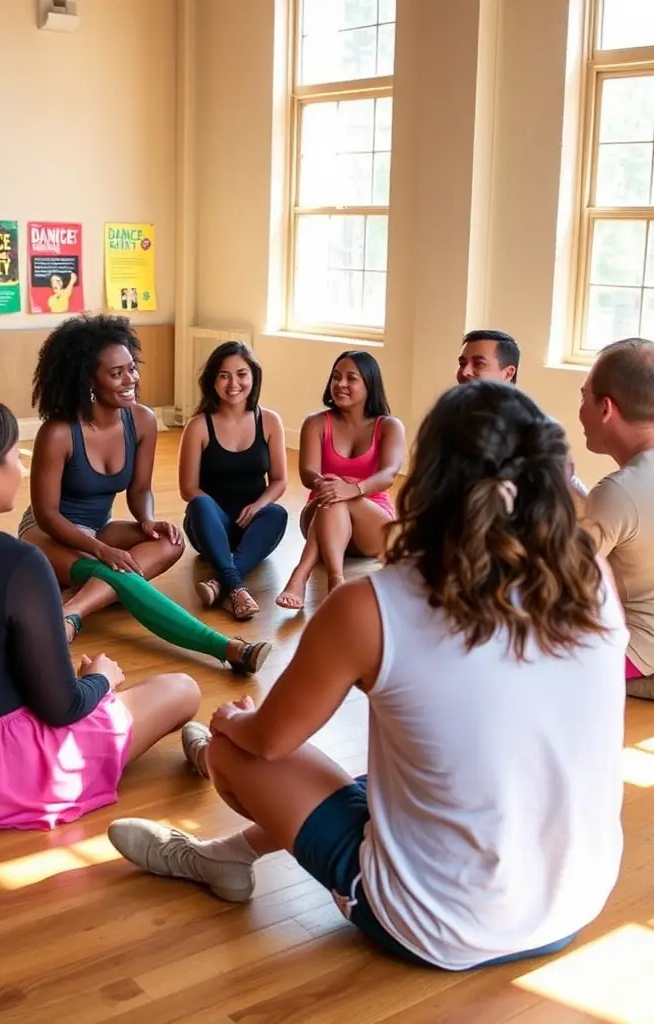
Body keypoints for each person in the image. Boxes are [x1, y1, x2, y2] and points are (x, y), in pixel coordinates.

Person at [107, 381, 627, 970]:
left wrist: (232, 723)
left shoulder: (371, 605)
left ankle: (220, 814)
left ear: (426, 479)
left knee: (236, 750)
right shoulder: (589, 574)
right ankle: (228, 855)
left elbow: (270, 741)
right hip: (575, 902)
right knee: (406, 767)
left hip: (441, 925)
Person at [0, 395, 202, 830]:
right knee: (182, 689)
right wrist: (101, 680)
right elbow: (61, 708)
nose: (22, 468)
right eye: (16, 456)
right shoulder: (17, 563)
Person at [20, 315, 270, 675]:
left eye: (132, 368)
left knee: (170, 542)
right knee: (121, 574)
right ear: (89, 380)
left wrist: (147, 519)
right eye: (116, 373)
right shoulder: (58, 432)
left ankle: (71, 609)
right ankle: (225, 647)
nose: (131, 379)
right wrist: (101, 550)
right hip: (48, 535)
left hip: (98, 529)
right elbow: (47, 515)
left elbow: (139, 490)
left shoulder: (142, 420)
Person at [276, 351, 404, 609]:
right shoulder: (315, 423)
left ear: (369, 384)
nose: (340, 384)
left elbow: (389, 474)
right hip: (321, 516)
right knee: (332, 494)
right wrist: (333, 486)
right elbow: (308, 472)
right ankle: (336, 579)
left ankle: (302, 572)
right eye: (336, 377)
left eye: (351, 378)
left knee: (336, 492)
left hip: (371, 522)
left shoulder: (389, 426)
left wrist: (352, 488)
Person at [178, 341, 288, 620]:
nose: (233, 384)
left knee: (276, 513)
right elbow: (188, 488)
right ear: (212, 381)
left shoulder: (270, 421)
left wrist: (258, 505)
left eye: (241, 374)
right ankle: (236, 586)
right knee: (200, 503)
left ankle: (220, 582)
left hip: (251, 527)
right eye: (224, 375)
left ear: (254, 376)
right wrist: (214, 513)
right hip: (209, 527)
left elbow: (279, 481)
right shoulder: (199, 426)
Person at [579, 337, 654, 695]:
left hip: (639, 653)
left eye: (583, 397)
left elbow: (559, 581)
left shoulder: (618, 491)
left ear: (606, 408)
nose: (580, 410)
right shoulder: (621, 492)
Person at [457, 328, 589, 502]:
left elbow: (573, 491)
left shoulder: (532, 427)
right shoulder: (452, 420)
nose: (465, 372)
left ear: (508, 373)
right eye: (462, 363)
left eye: (478, 364)